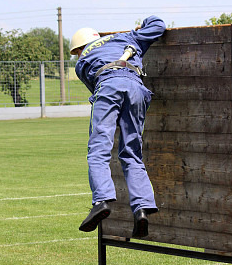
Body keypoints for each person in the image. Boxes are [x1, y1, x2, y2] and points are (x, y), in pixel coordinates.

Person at [71, 16, 166, 238]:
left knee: (99, 151)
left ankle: (101, 201)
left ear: (79, 47)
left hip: (108, 86)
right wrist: (143, 24)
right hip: (136, 87)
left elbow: (95, 86)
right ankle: (142, 209)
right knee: (131, 153)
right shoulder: (126, 37)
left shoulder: (82, 61)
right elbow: (159, 25)